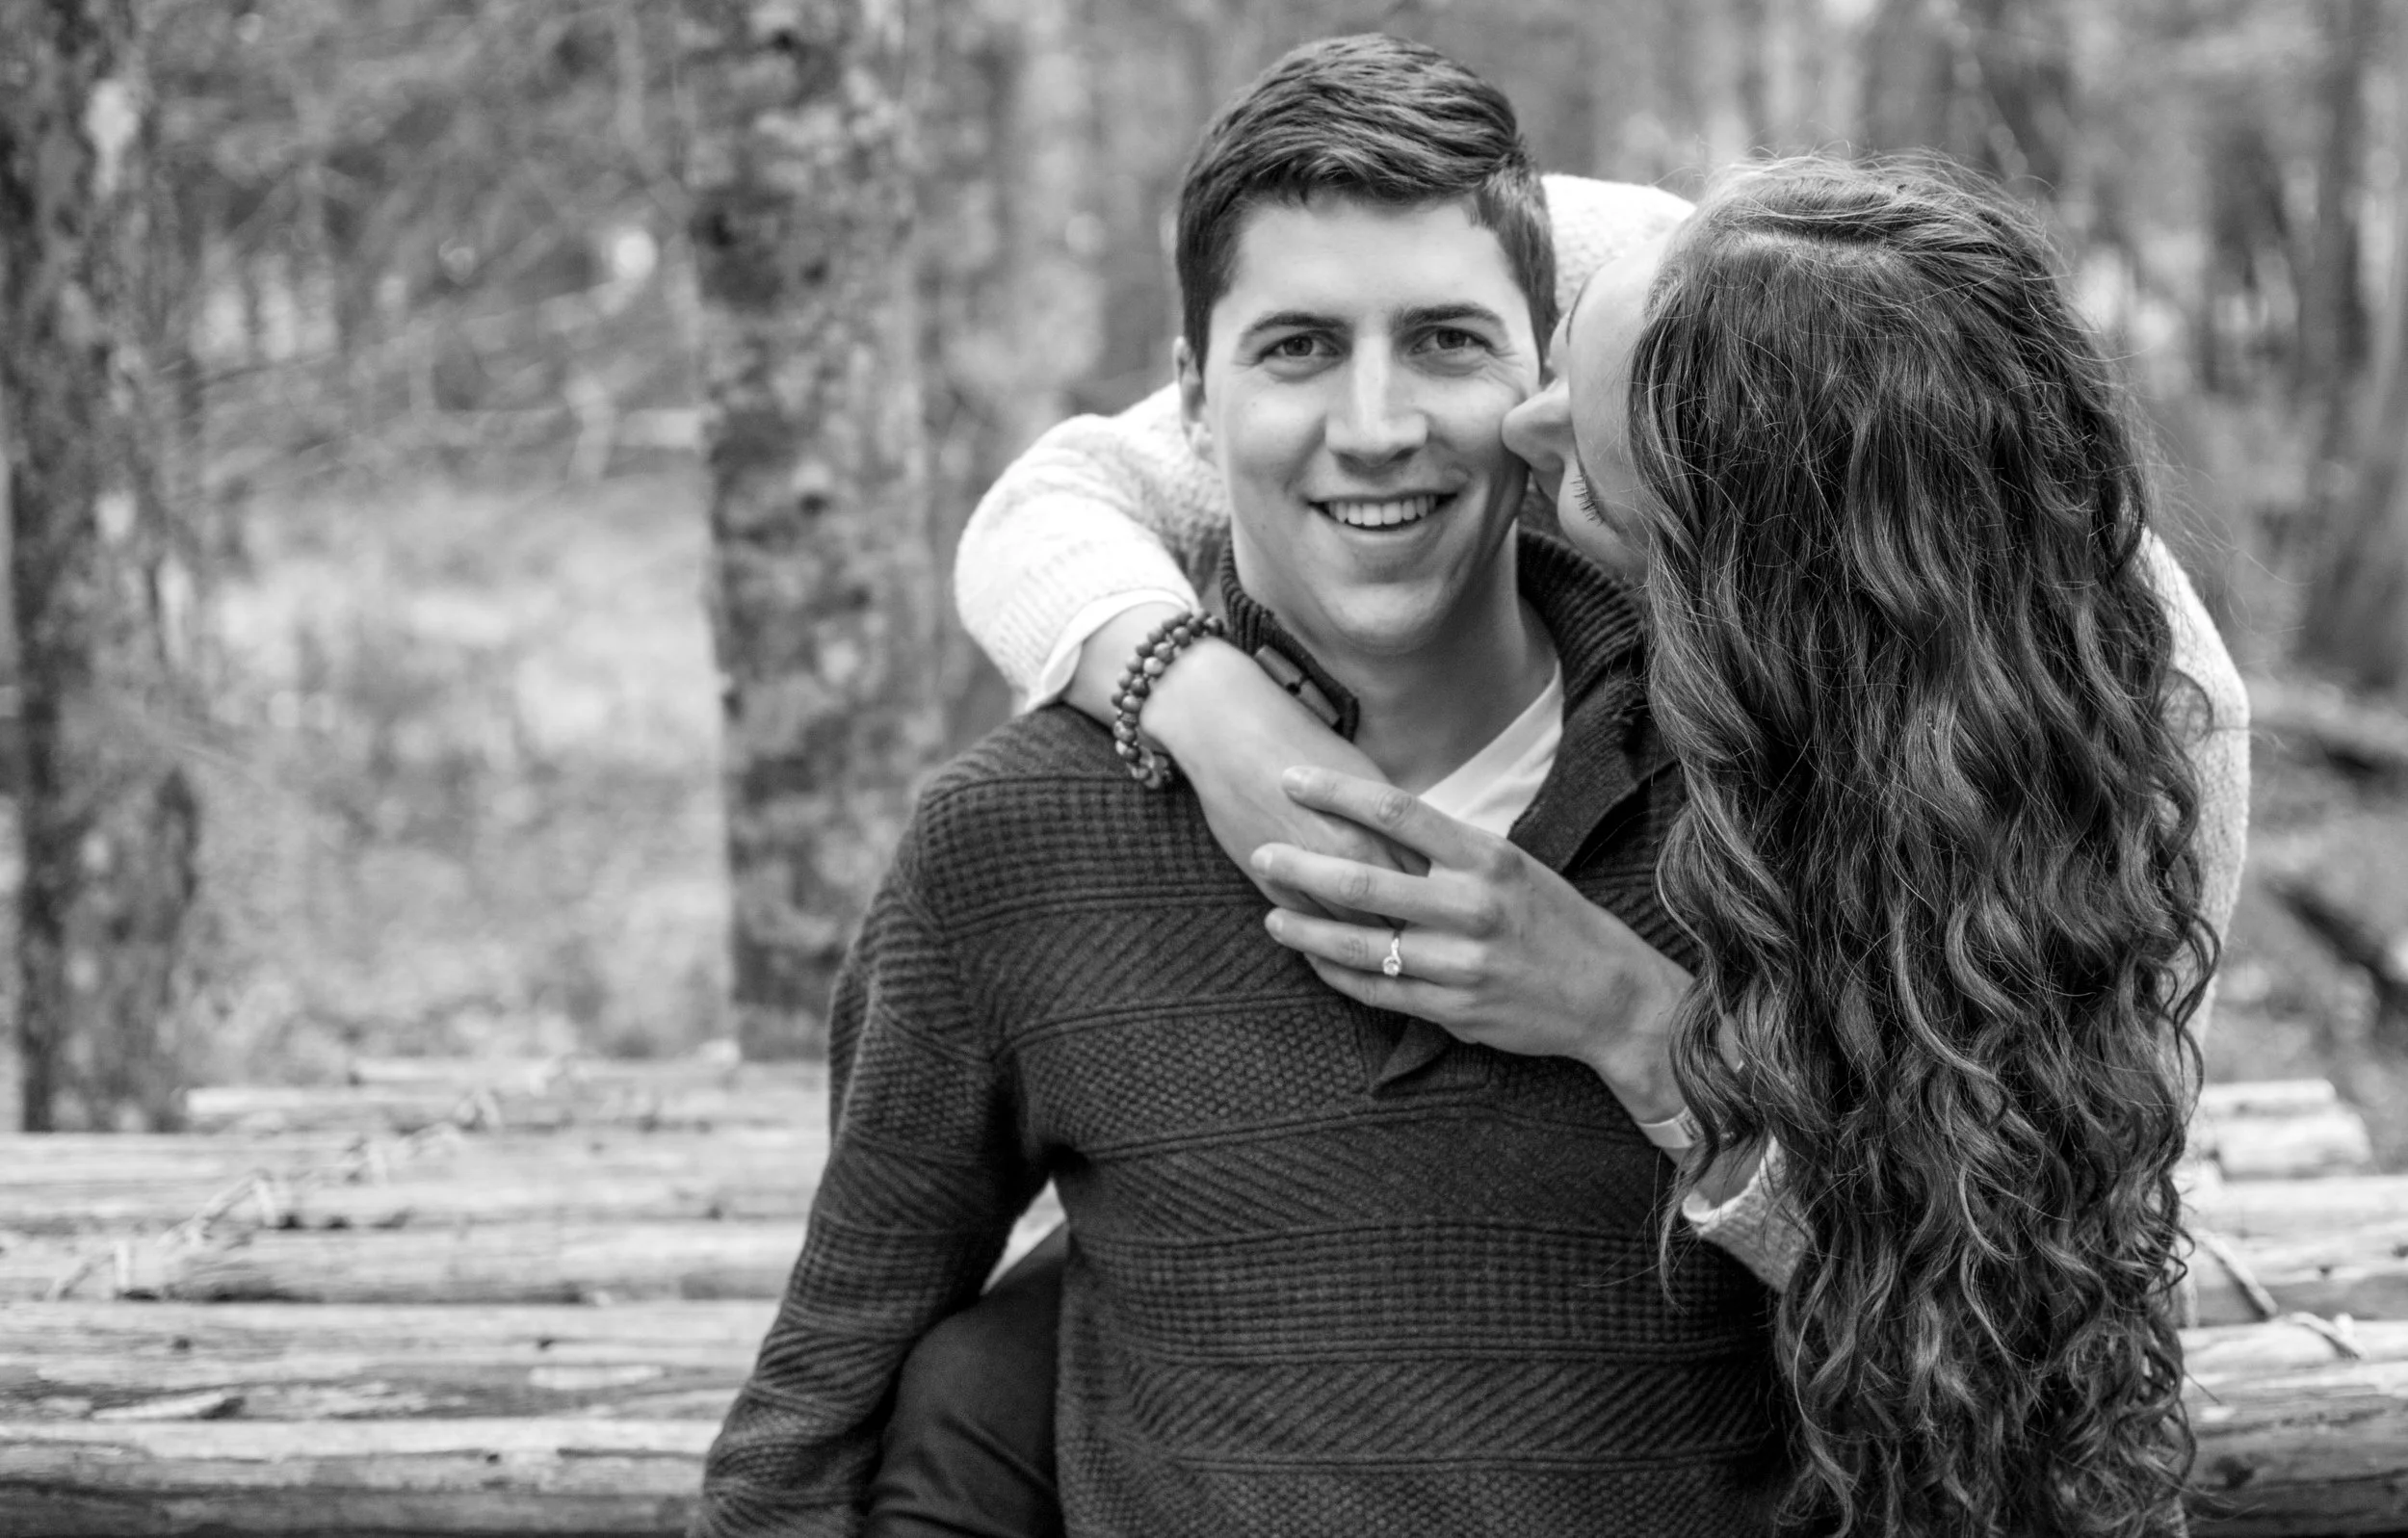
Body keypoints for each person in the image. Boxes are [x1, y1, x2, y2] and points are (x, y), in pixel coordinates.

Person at [939, 153, 2246, 1538]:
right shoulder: (1613, 266)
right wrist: (1213, 716)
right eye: (1551, 364)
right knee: (980, 1391)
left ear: (1750, 619)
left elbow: (1992, 1285)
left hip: (1757, 1320)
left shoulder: (2150, 782)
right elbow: (1056, 503)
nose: (1514, 434)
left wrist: (1633, 1019)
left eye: (1587, 485)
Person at [695, 35, 1793, 1538]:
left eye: (1447, 343)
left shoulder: (1763, 787)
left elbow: (1973, 1296)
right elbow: (823, 1397)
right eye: (1297, 349)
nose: (1375, 424)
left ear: (1542, 386)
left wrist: (1647, 1030)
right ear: (1192, 408)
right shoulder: (1017, 843)